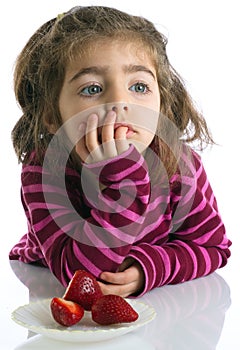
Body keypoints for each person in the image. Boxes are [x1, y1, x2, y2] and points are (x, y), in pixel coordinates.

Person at [9, 5, 231, 298]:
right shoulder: (45, 171)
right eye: (92, 89)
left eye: (139, 86)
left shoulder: (181, 166)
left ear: (161, 104)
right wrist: (125, 180)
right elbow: (80, 277)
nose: (119, 102)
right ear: (52, 116)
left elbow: (212, 247)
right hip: (44, 285)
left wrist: (149, 269)